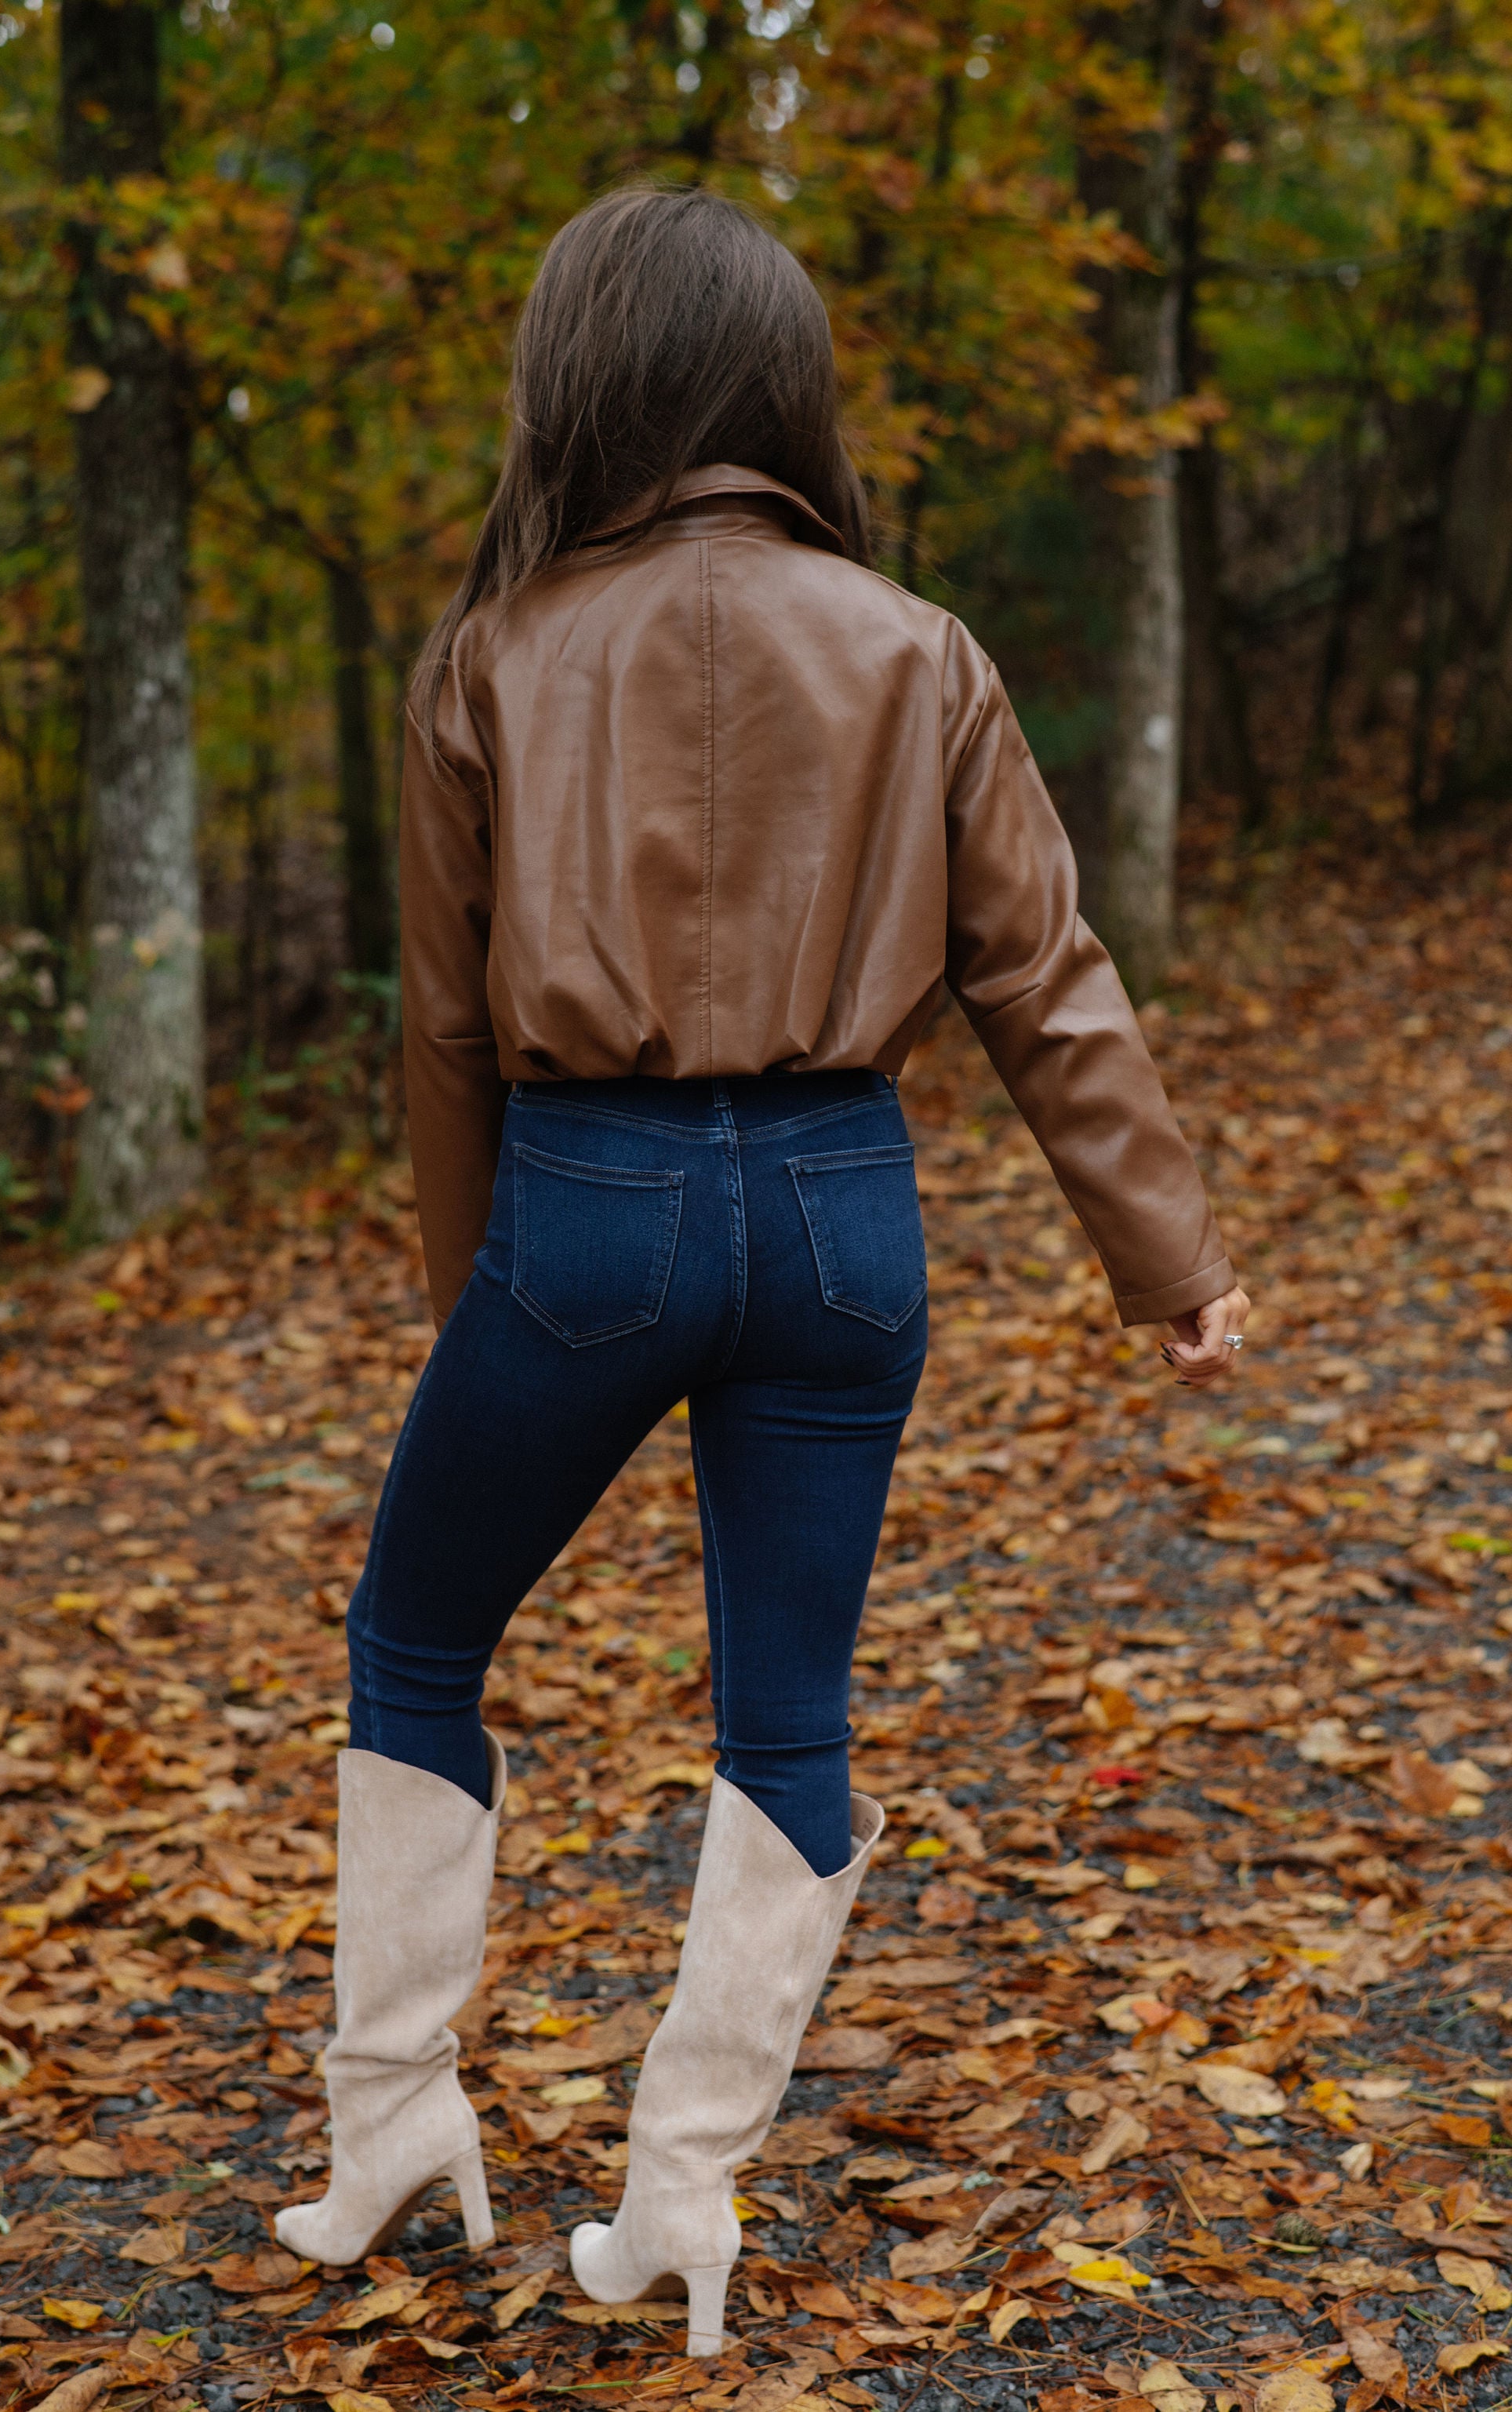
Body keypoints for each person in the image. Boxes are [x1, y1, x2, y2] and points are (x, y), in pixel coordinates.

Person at [274, 184, 1248, 2352]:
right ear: (783, 387)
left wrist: (478, 1306)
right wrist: (1167, 1256)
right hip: (842, 1213)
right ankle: (682, 2195)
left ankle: (393, 2120)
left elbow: (447, 1031)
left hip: (589, 1212)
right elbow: (1045, 976)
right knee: (788, 1715)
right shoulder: (919, 646)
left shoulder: (492, 656)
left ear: (581, 382)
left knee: (415, 1642)